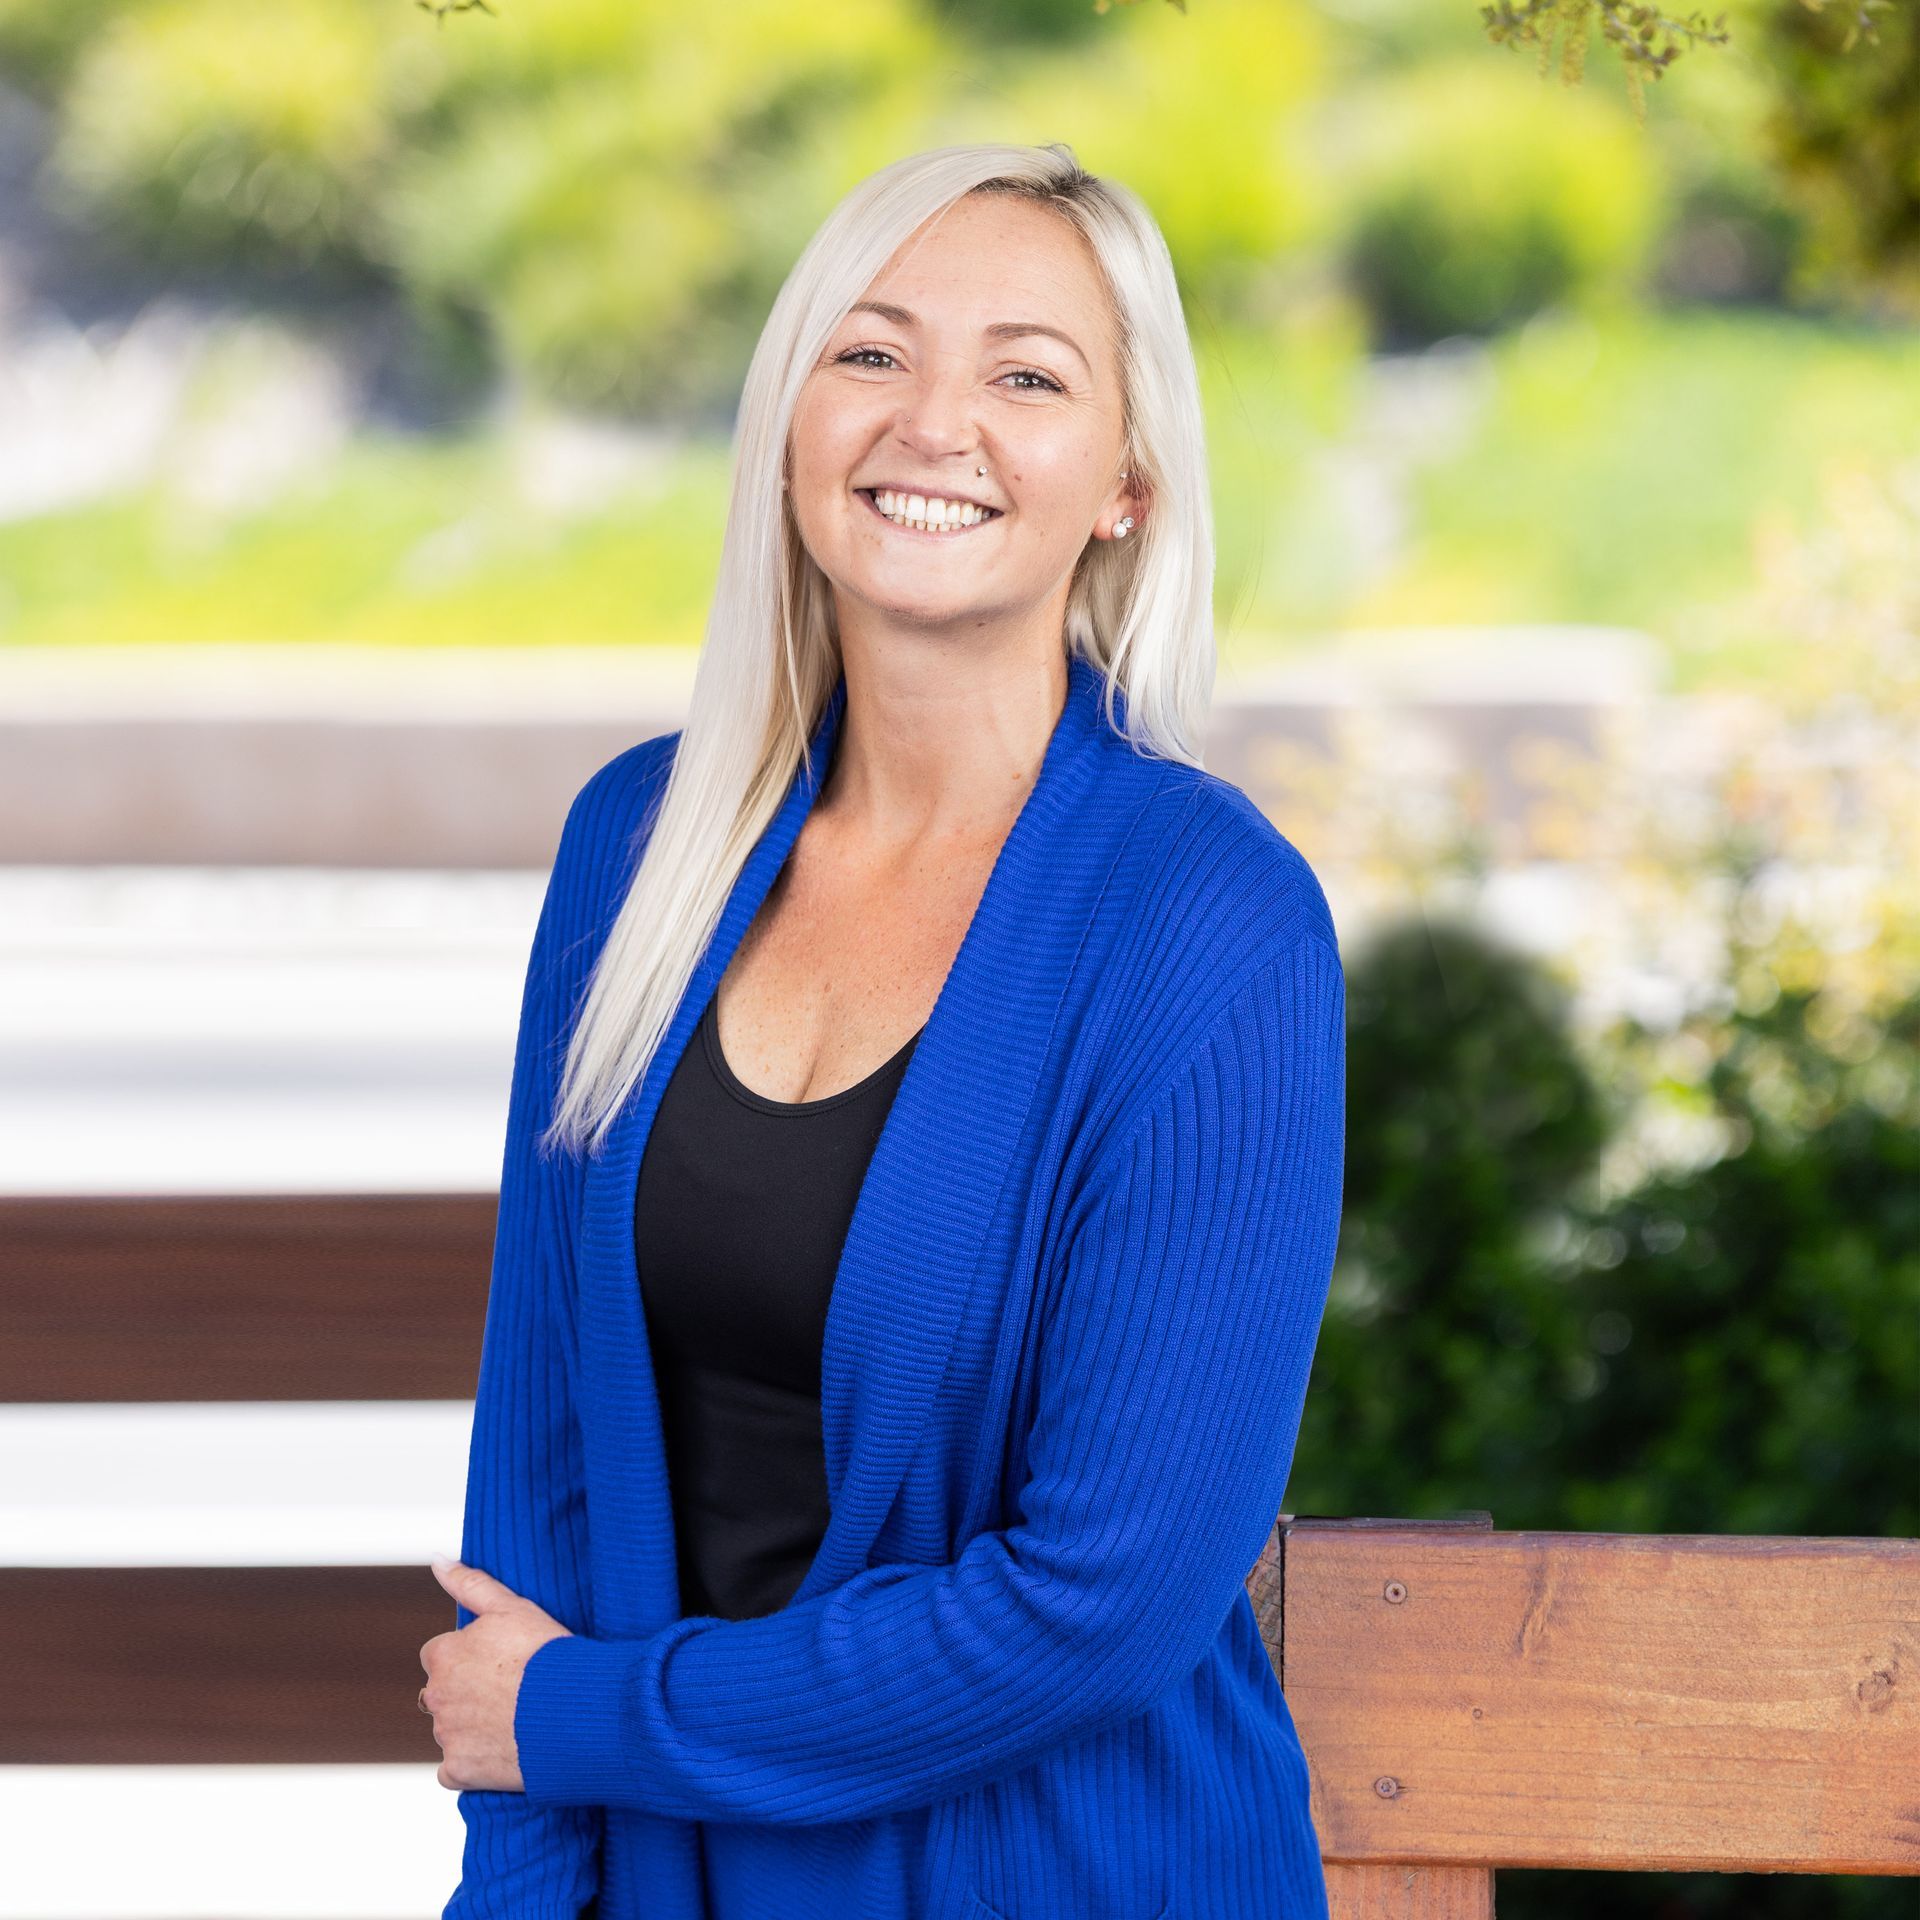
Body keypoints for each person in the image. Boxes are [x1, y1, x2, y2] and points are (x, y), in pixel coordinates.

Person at [420, 141, 1347, 1920]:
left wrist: (592, 1721)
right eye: (870, 354)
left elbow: (1101, 1609)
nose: (935, 423)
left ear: (1129, 481)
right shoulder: (642, 845)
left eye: (1026, 374)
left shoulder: (1209, 922)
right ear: (788, 423)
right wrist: (524, 1881)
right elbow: (533, 1481)